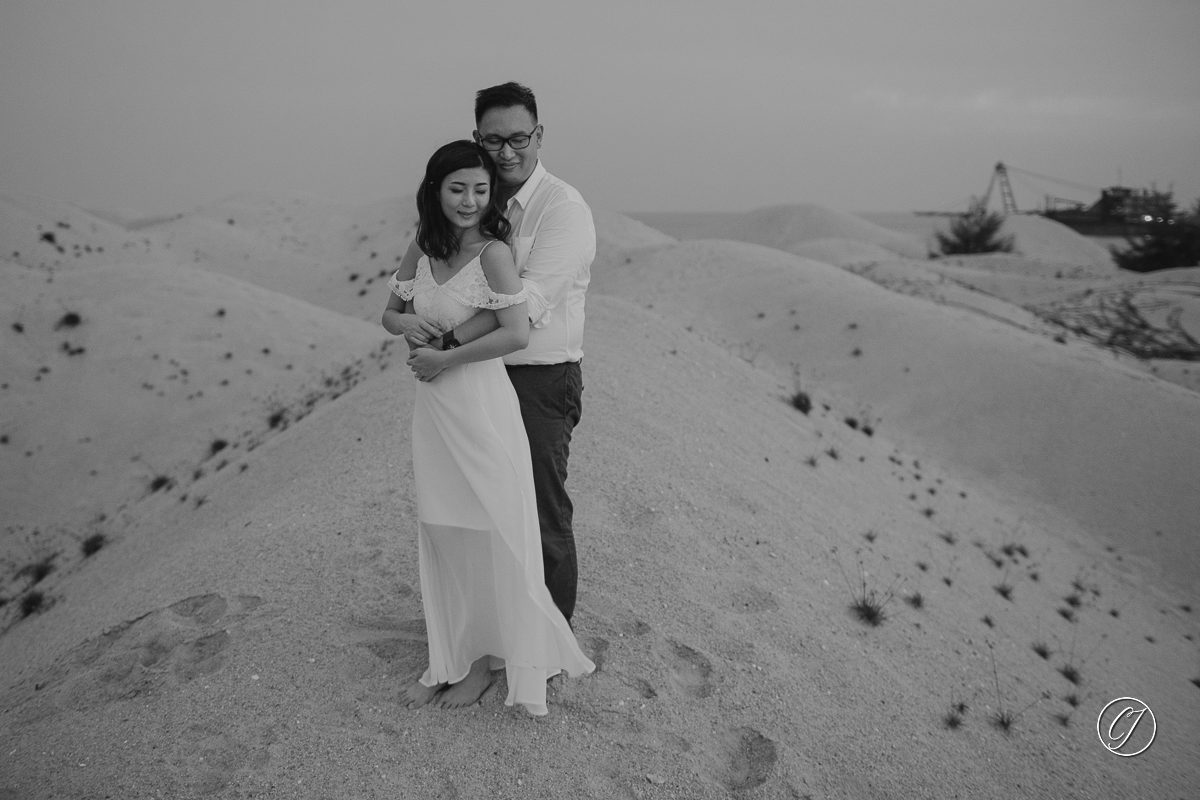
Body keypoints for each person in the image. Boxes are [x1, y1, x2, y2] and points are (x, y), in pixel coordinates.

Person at [382, 140, 594, 715]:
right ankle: (448, 656)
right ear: (434, 191)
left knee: (488, 528)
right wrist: (408, 325)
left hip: (478, 401)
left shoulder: (494, 253)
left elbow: (517, 332)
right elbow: (388, 311)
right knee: (442, 527)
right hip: (434, 412)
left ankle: (482, 665)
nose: (471, 200)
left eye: (480, 189)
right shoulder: (423, 245)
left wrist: (443, 357)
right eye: (458, 189)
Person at [414, 82, 595, 627]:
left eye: (520, 138)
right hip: (477, 382)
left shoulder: (562, 208)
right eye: (494, 141)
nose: (507, 152)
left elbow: (529, 307)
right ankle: (500, 635)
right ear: (477, 140)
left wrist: (447, 341)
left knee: (540, 512)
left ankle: (550, 639)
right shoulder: (474, 203)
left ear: (540, 136)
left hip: (540, 379)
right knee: (485, 513)